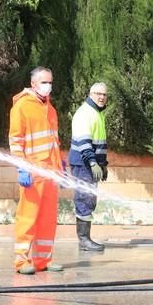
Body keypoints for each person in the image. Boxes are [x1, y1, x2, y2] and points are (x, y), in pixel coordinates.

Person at [8, 67, 64, 275]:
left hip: (50, 173)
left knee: (48, 218)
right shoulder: (21, 107)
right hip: (33, 172)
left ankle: (43, 260)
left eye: (50, 82)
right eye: (44, 82)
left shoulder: (50, 109)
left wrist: (60, 164)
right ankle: (22, 262)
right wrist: (22, 168)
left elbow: (53, 140)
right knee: (28, 216)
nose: (48, 86)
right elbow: (15, 141)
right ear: (33, 84)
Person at [69, 82, 108, 251]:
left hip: (90, 164)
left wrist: (102, 164)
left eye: (104, 95)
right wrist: (93, 162)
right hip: (83, 164)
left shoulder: (97, 113)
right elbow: (84, 143)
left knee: (89, 198)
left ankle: (85, 239)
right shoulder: (84, 113)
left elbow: (98, 143)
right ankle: (84, 240)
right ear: (90, 94)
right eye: (98, 94)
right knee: (84, 198)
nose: (101, 97)